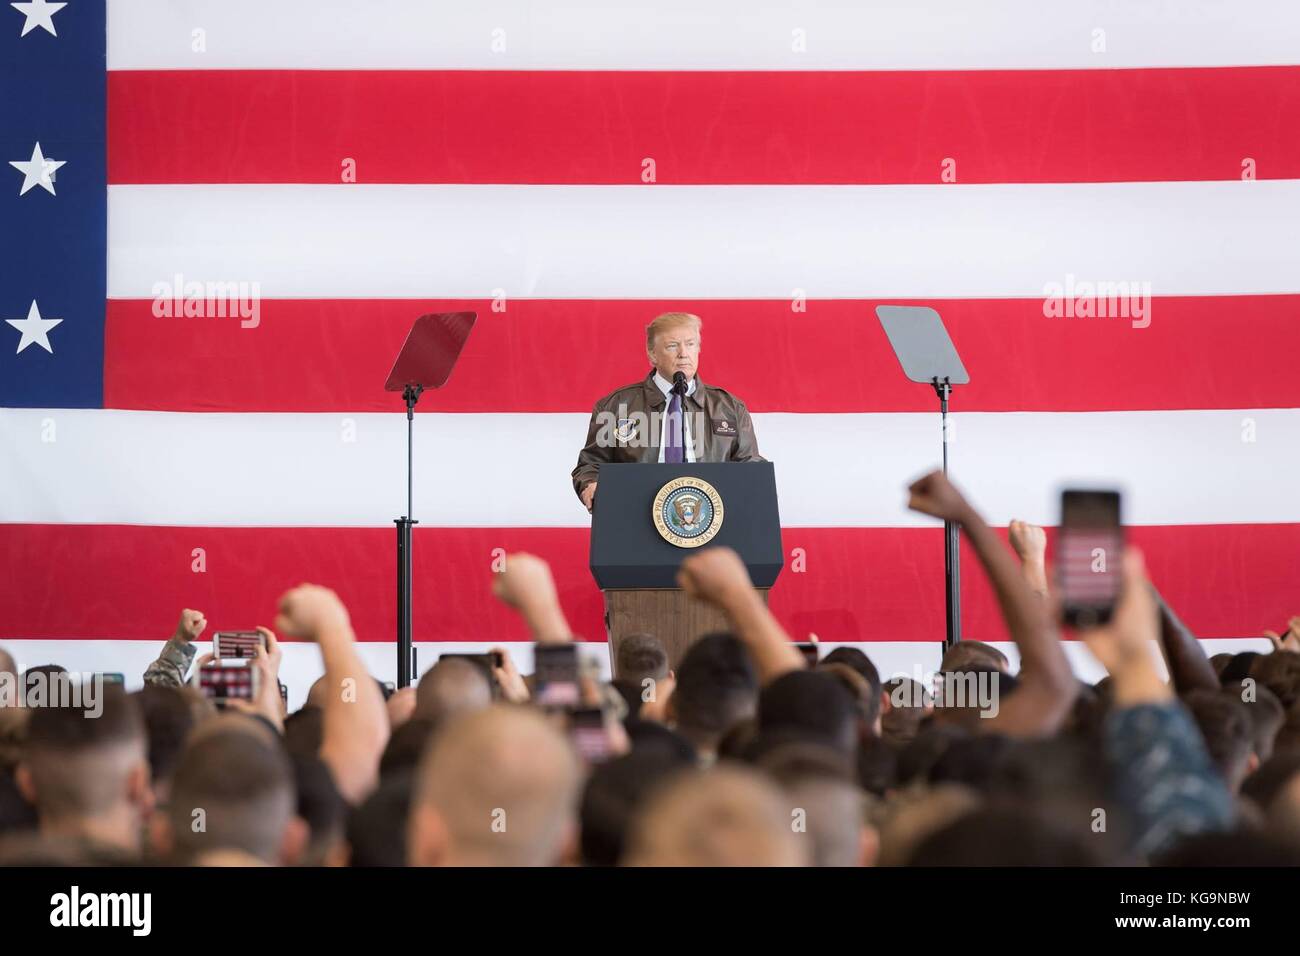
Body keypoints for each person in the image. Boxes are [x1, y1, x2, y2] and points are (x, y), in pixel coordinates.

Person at [571, 311, 762, 512]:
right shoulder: (615, 407)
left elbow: (750, 467)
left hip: (710, 521)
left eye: (690, 344)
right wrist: (590, 484)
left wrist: (759, 484)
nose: (683, 353)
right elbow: (591, 465)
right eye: (672, 346)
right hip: (635, 514)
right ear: (652, 353)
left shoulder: (730, 408)